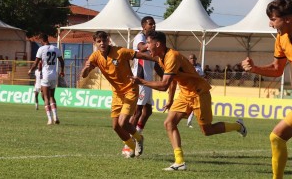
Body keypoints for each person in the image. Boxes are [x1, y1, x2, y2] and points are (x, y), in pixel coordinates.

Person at [130, 31, 247, 170]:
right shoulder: (161, 56)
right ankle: (179, 162)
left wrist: (141, 81)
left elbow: (164, 85)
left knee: (207, 130)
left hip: (199, 92)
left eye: (148, 43)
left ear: (157, 44)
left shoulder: (171, 57)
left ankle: (238, 125)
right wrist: (170, 99)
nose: (147, 46)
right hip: (185, 94)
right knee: (169, 123)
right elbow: (171, 80)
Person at [81, 31, 155, 159]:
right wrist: (86, 68)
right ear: (95, 43)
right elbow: (83, 75)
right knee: (116, 126)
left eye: (104, 40)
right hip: (117, 93)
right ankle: (132, 147)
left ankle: (139, 138)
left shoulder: (120, 52)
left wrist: (159, 59)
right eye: (99, 41)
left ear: (108, 41)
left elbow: (140, 55)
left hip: (130, 89)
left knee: (122, 122)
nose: (102, 43)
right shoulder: (95, 57)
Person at [241, 0, 292, 179]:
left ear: (288, 18)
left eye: (273, 19)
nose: (271, 24)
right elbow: (277, 69)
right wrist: (255, 68)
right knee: (277, 137)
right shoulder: (281, 38)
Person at [122, 16, 156, 155]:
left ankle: (138, 136)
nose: (153, 26)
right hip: (140, 80)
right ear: (143, 26)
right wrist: (151, 45)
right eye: (150, 24)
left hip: (149, 81)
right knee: (137, 112)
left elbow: (155, 63)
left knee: (148, 112)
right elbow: (141, 48)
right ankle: (127, 144)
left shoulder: (152, 39)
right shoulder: (139, 37)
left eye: (154, 24)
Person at [28, 33, 65, 125]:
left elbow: (36, 63)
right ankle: (56, 116)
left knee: (46, 97)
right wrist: (62, 71)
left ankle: (49, 119)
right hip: (54, 75)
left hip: (45, 76)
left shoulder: (41, 49)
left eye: (39, 40)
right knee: (52, 96)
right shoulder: (55, 49)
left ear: (41, 40)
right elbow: (61, 61)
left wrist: (30, 70)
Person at [186, 54, 205, 128]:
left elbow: (202, 77)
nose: (193, 60)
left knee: (196, 106)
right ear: (189, 59)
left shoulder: (198, 68)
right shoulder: (186, 67)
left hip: (196, 90)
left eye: (194, 58)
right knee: (185, 106)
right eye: (191, 58)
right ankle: (176, 120)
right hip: (187, 90)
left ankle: (189, 121)